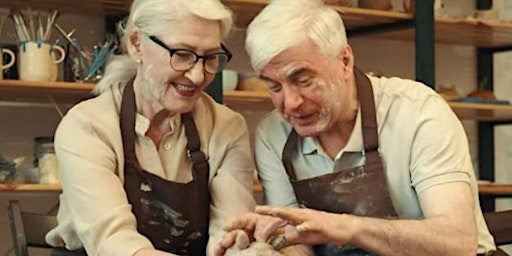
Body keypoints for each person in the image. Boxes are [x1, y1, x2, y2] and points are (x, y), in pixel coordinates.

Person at [215, 0, 497, 255]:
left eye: (303, 79)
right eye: (274, 86)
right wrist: (268, 242)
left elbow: (457, 243)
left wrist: (345, 227)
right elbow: (298, 246)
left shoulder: (417, 111)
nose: (290, 103)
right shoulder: (273, 134)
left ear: (345, 61)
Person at [45, 0, 256, 255]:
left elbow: (231, 232)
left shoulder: (227, 127)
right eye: (182, 55)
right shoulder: (87, 126)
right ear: (136, 45)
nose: (198, 76)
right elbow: (114, 241)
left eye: (210, 58)